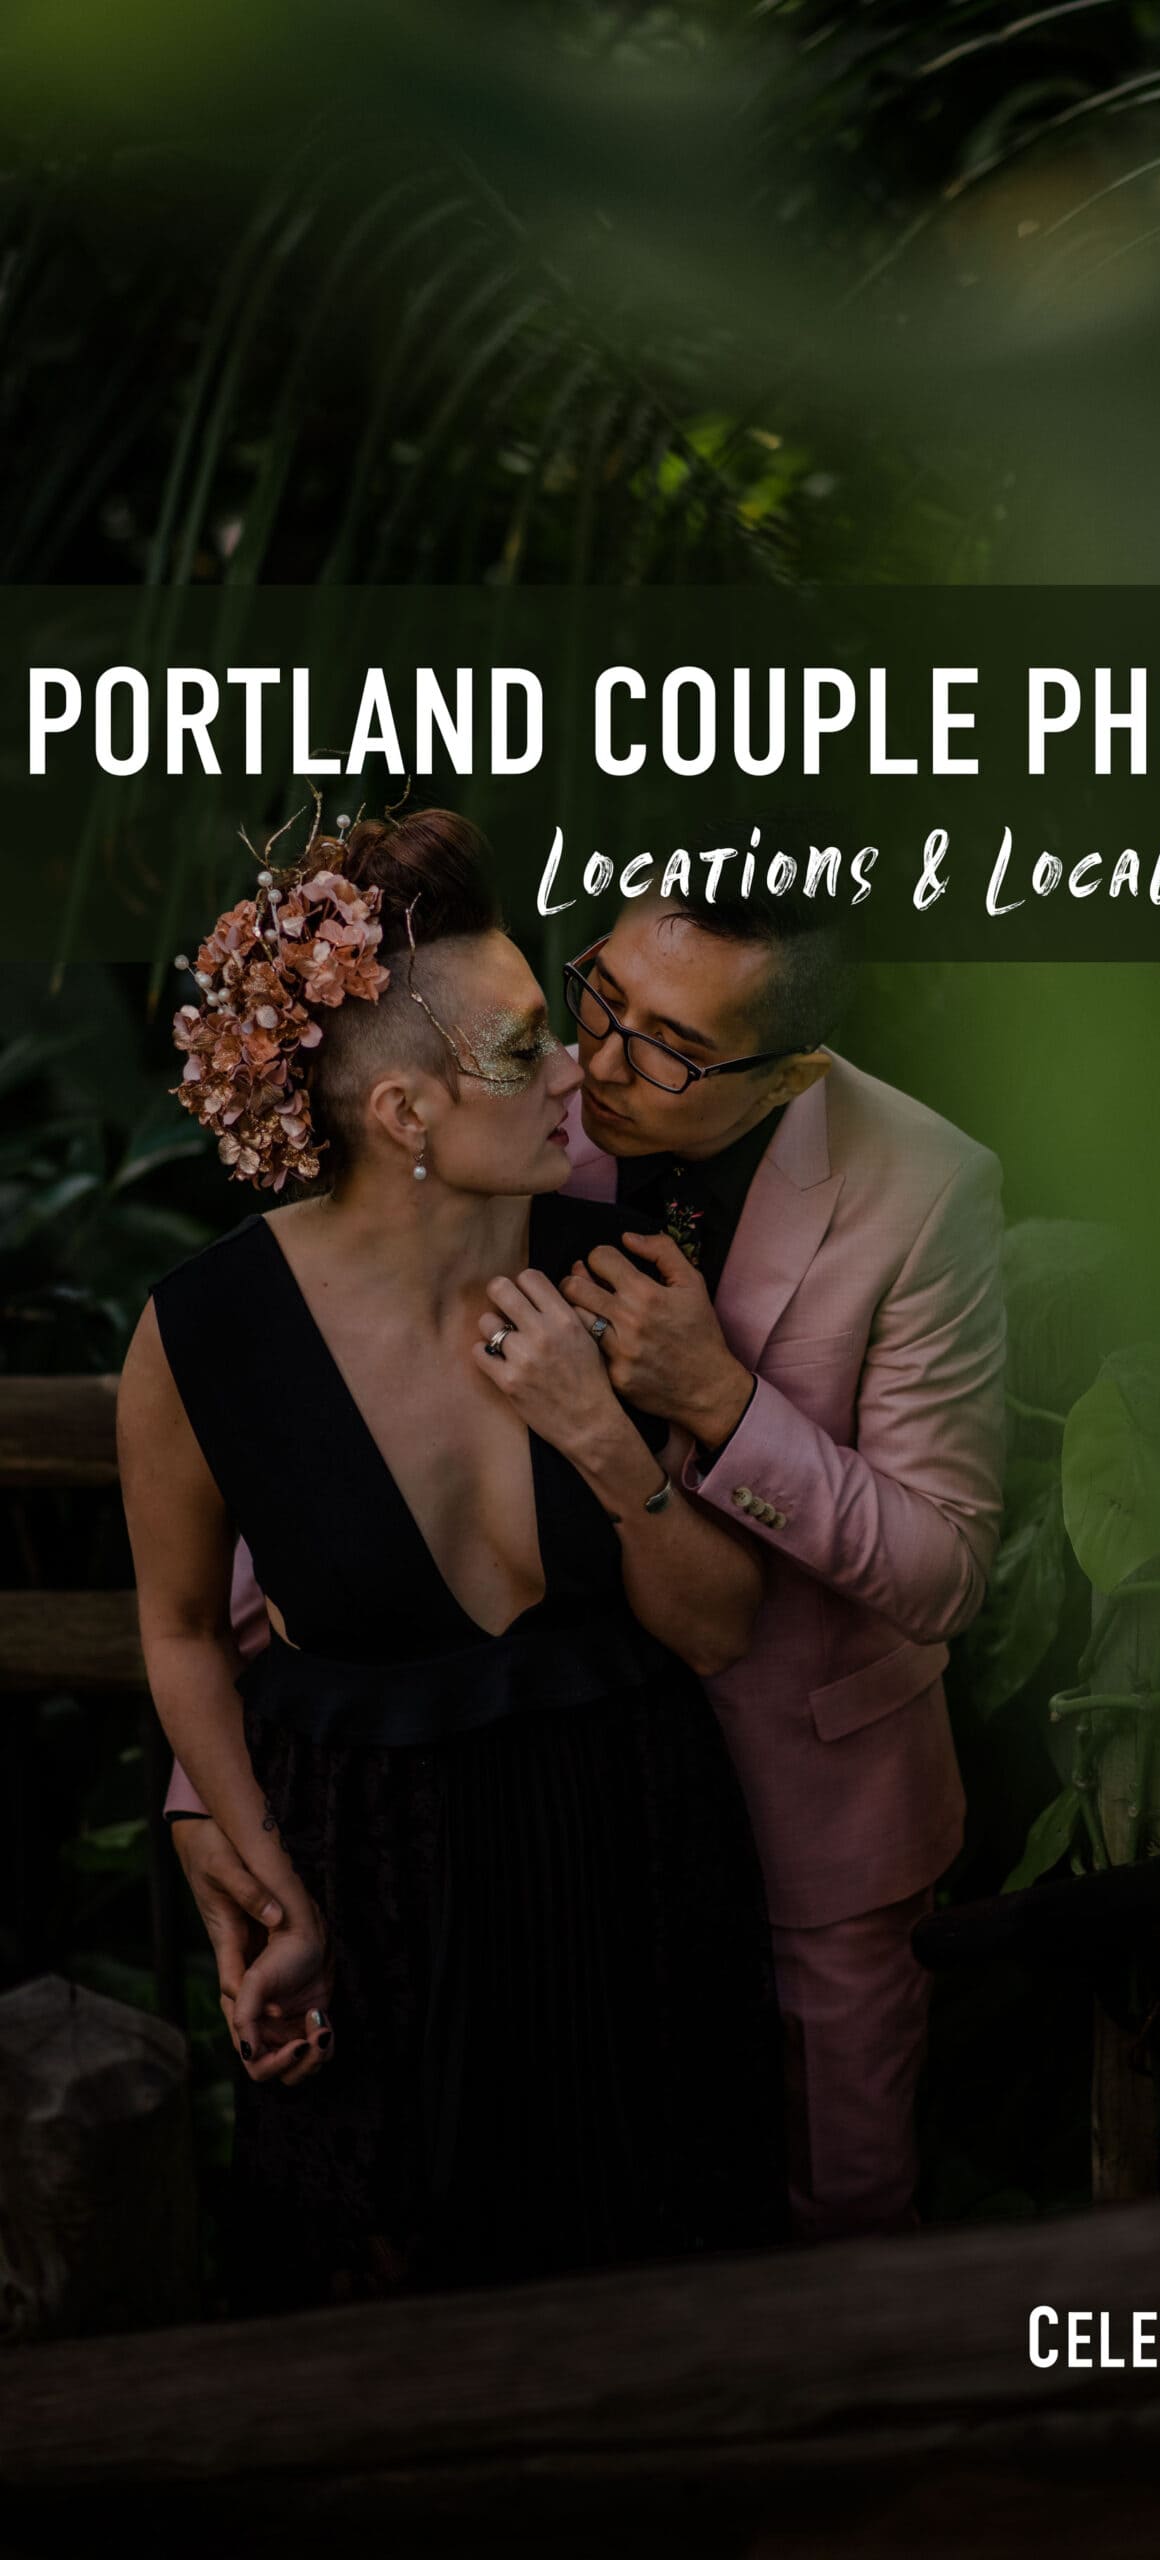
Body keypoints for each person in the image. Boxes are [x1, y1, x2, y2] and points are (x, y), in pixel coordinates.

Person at [169, 872, 1007, 2243]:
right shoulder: (520, 1119)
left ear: (790, 1068)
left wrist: (725, 1406)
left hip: (808, 1796)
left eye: (666, 1049)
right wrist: (203, 1788)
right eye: (599, 995)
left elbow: (946, 1565)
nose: (595, 1065)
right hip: (569, 1815)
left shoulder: (924, 1189)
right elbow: (329, 1449)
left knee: (836, 2215)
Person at [120, 808, 786, 2314]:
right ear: (406, 1114)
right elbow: (174, 1632)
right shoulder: (205, 1334)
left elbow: (722, 1629)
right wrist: (275, 1891)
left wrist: (605, 1443)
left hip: (635, 1852)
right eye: (525, 1048)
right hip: (377, 1889)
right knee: (394, 2322)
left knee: (669, 2296)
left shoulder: (615, 1275)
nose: (576, 1073)